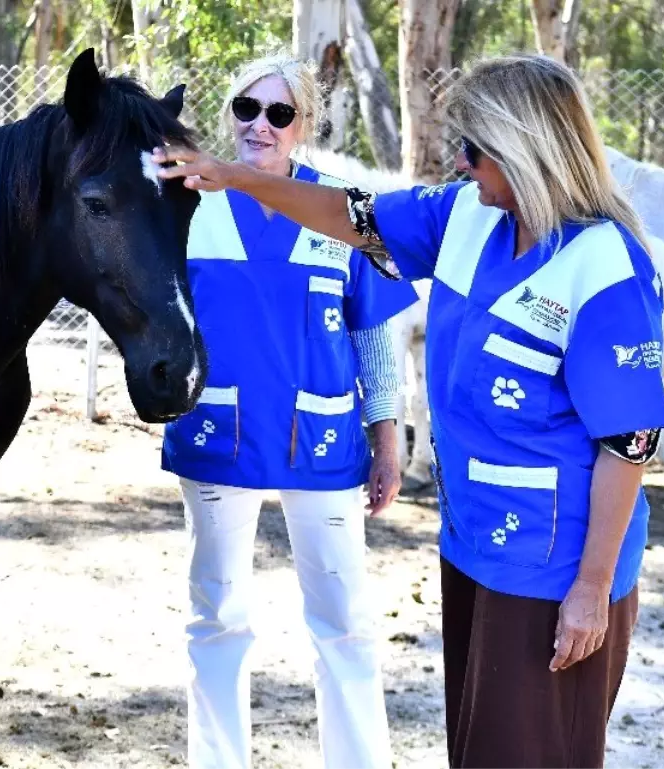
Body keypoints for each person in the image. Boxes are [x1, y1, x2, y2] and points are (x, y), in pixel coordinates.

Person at [154, 54, 664, 769]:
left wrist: (590, 590)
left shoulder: (604, 263)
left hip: (557, 566)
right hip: (475, 547)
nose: (461, 161)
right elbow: (350, 214)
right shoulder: (466, 212)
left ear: (525, 146)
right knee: (482, 745)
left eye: (475, 148)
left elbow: (630, 440)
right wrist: (238, 176)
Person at [159, 52, 420, 769]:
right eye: (247, 108)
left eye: (278, 113)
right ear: (229, 114)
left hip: (325, 440)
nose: (259, 126)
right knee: (217, 617)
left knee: (344, 622)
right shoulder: (187, 200)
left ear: (302, 124)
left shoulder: (344, 205)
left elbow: (373, 332)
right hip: (220, 434)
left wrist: (388, 437)